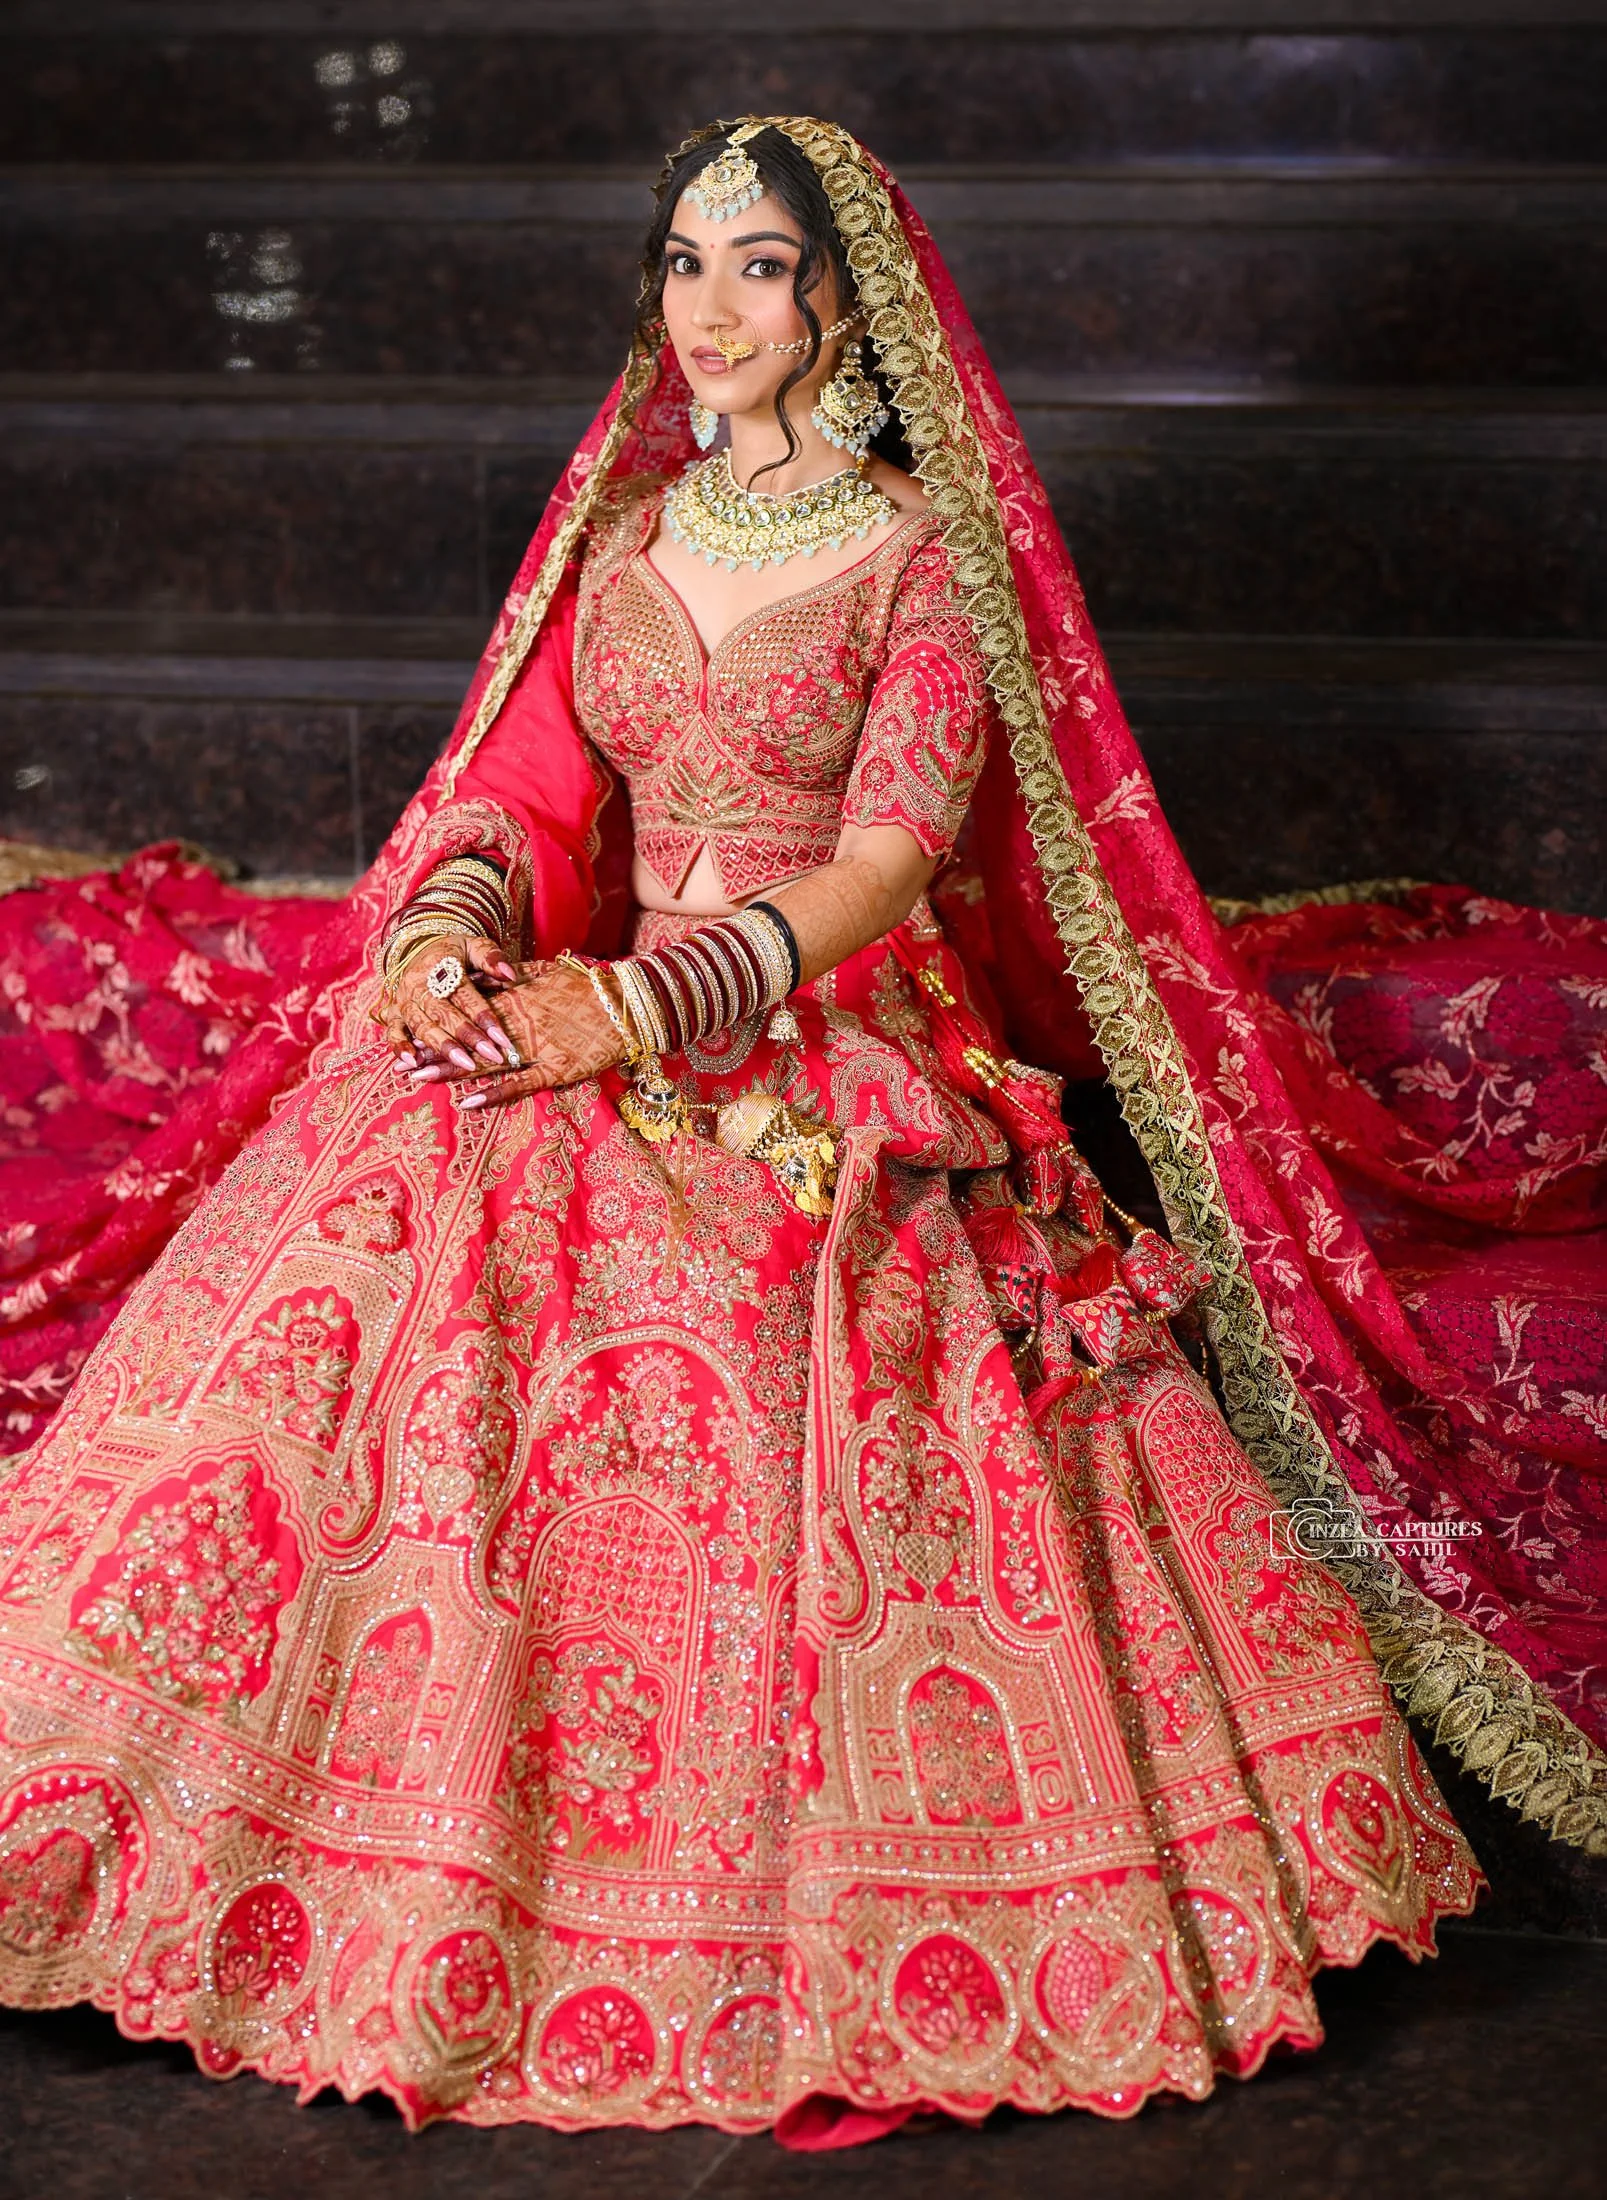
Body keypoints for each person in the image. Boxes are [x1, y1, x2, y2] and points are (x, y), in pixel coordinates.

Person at [0, 114, 1598, 2145]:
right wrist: (450, 942)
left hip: (812, 1028)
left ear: (842, 299)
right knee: (396, 1193)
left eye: (756, 266)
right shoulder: (622, 540)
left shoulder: (914, 553)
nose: (709, 308)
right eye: (682, 263)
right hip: (593, 1004)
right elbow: (524, 799)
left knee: (762, 1279)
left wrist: (651, 1000)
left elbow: (886, 853)